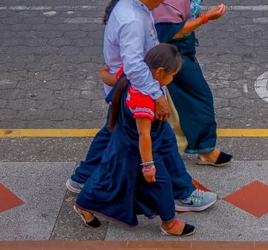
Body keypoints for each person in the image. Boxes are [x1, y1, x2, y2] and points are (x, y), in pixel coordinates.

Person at [66, 0, 217, 212]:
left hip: (124, 91)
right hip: (138, 92)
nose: (164, 0)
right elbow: (135, 66)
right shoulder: (133, 20)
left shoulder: (131, 6)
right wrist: (158, 95)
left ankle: (81, 179)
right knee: (164, 140)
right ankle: (182, 193)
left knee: (112, 132)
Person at [74, 44, 195, 236]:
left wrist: (104, 75)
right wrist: (148, 165)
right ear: (160, 72)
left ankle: (84, 204)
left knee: (109, 176)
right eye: (172, 75)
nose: (172, 80)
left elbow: (112, 78)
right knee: (160, 181)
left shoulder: (134, 72)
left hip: (124, 142)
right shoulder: (144, 99)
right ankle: (169, 224)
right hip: (138, 149)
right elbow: (144, 134)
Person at [152, 0, 232, 167]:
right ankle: (205, 151)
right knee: (200, 95)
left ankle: (187, 145)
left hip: (185, 49)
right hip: (173, 53)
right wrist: (206, 18)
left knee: (181, 99)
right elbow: (173, 32)